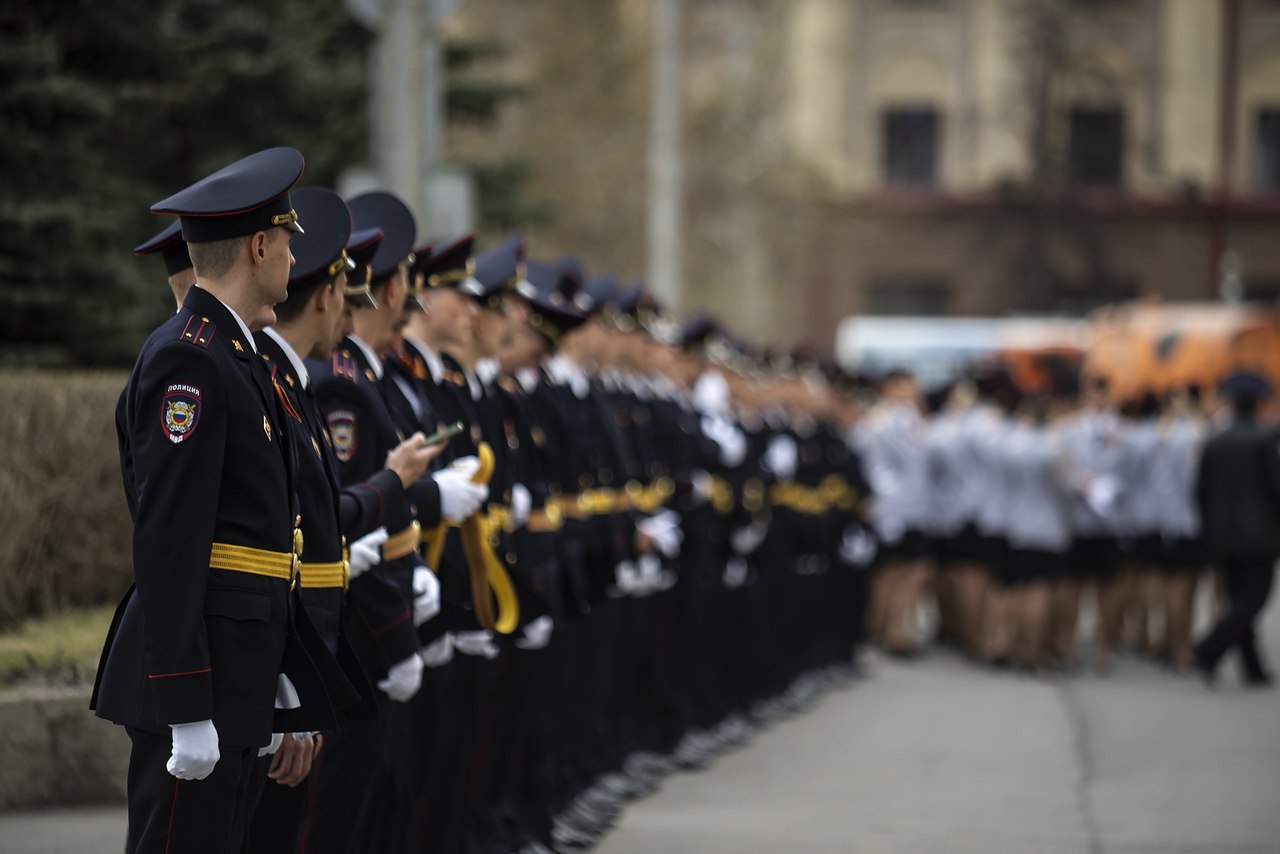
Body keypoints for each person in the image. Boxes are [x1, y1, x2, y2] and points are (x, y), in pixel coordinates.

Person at [91, 147, 330, 854]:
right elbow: (170, 539)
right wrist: (186, 703)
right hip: (201, 684)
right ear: (259, 247)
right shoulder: (190, 358)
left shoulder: (237, 355)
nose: (293, 258)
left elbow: (266, 540)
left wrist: (285, 671)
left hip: (242, 674)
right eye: (287, 241)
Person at [1194, 372, 1280, 688]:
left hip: (1223, 533)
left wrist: (1210, 526)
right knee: (1252, 599)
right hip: (1259, 534)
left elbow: (1201, 490)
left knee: (1238, 599)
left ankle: (1252, 668)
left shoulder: (1215, 440)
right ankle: (1208, 648)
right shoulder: (1265, 439)